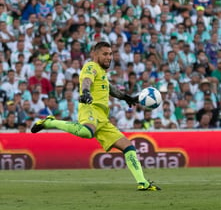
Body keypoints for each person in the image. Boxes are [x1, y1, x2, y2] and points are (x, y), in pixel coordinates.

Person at [30, 42, 160, 191]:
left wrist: (126, 98)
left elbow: (109, 88)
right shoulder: (91, 66)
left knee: (128, 147)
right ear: (95, 54)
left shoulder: (102, 72)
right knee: (87, 132)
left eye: (110, 54)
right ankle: (50, 122)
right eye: (105, 54)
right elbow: (87, 80)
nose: (109, 57)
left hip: (103, 119)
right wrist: (85, 92)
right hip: (90, 108)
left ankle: (142, 182)